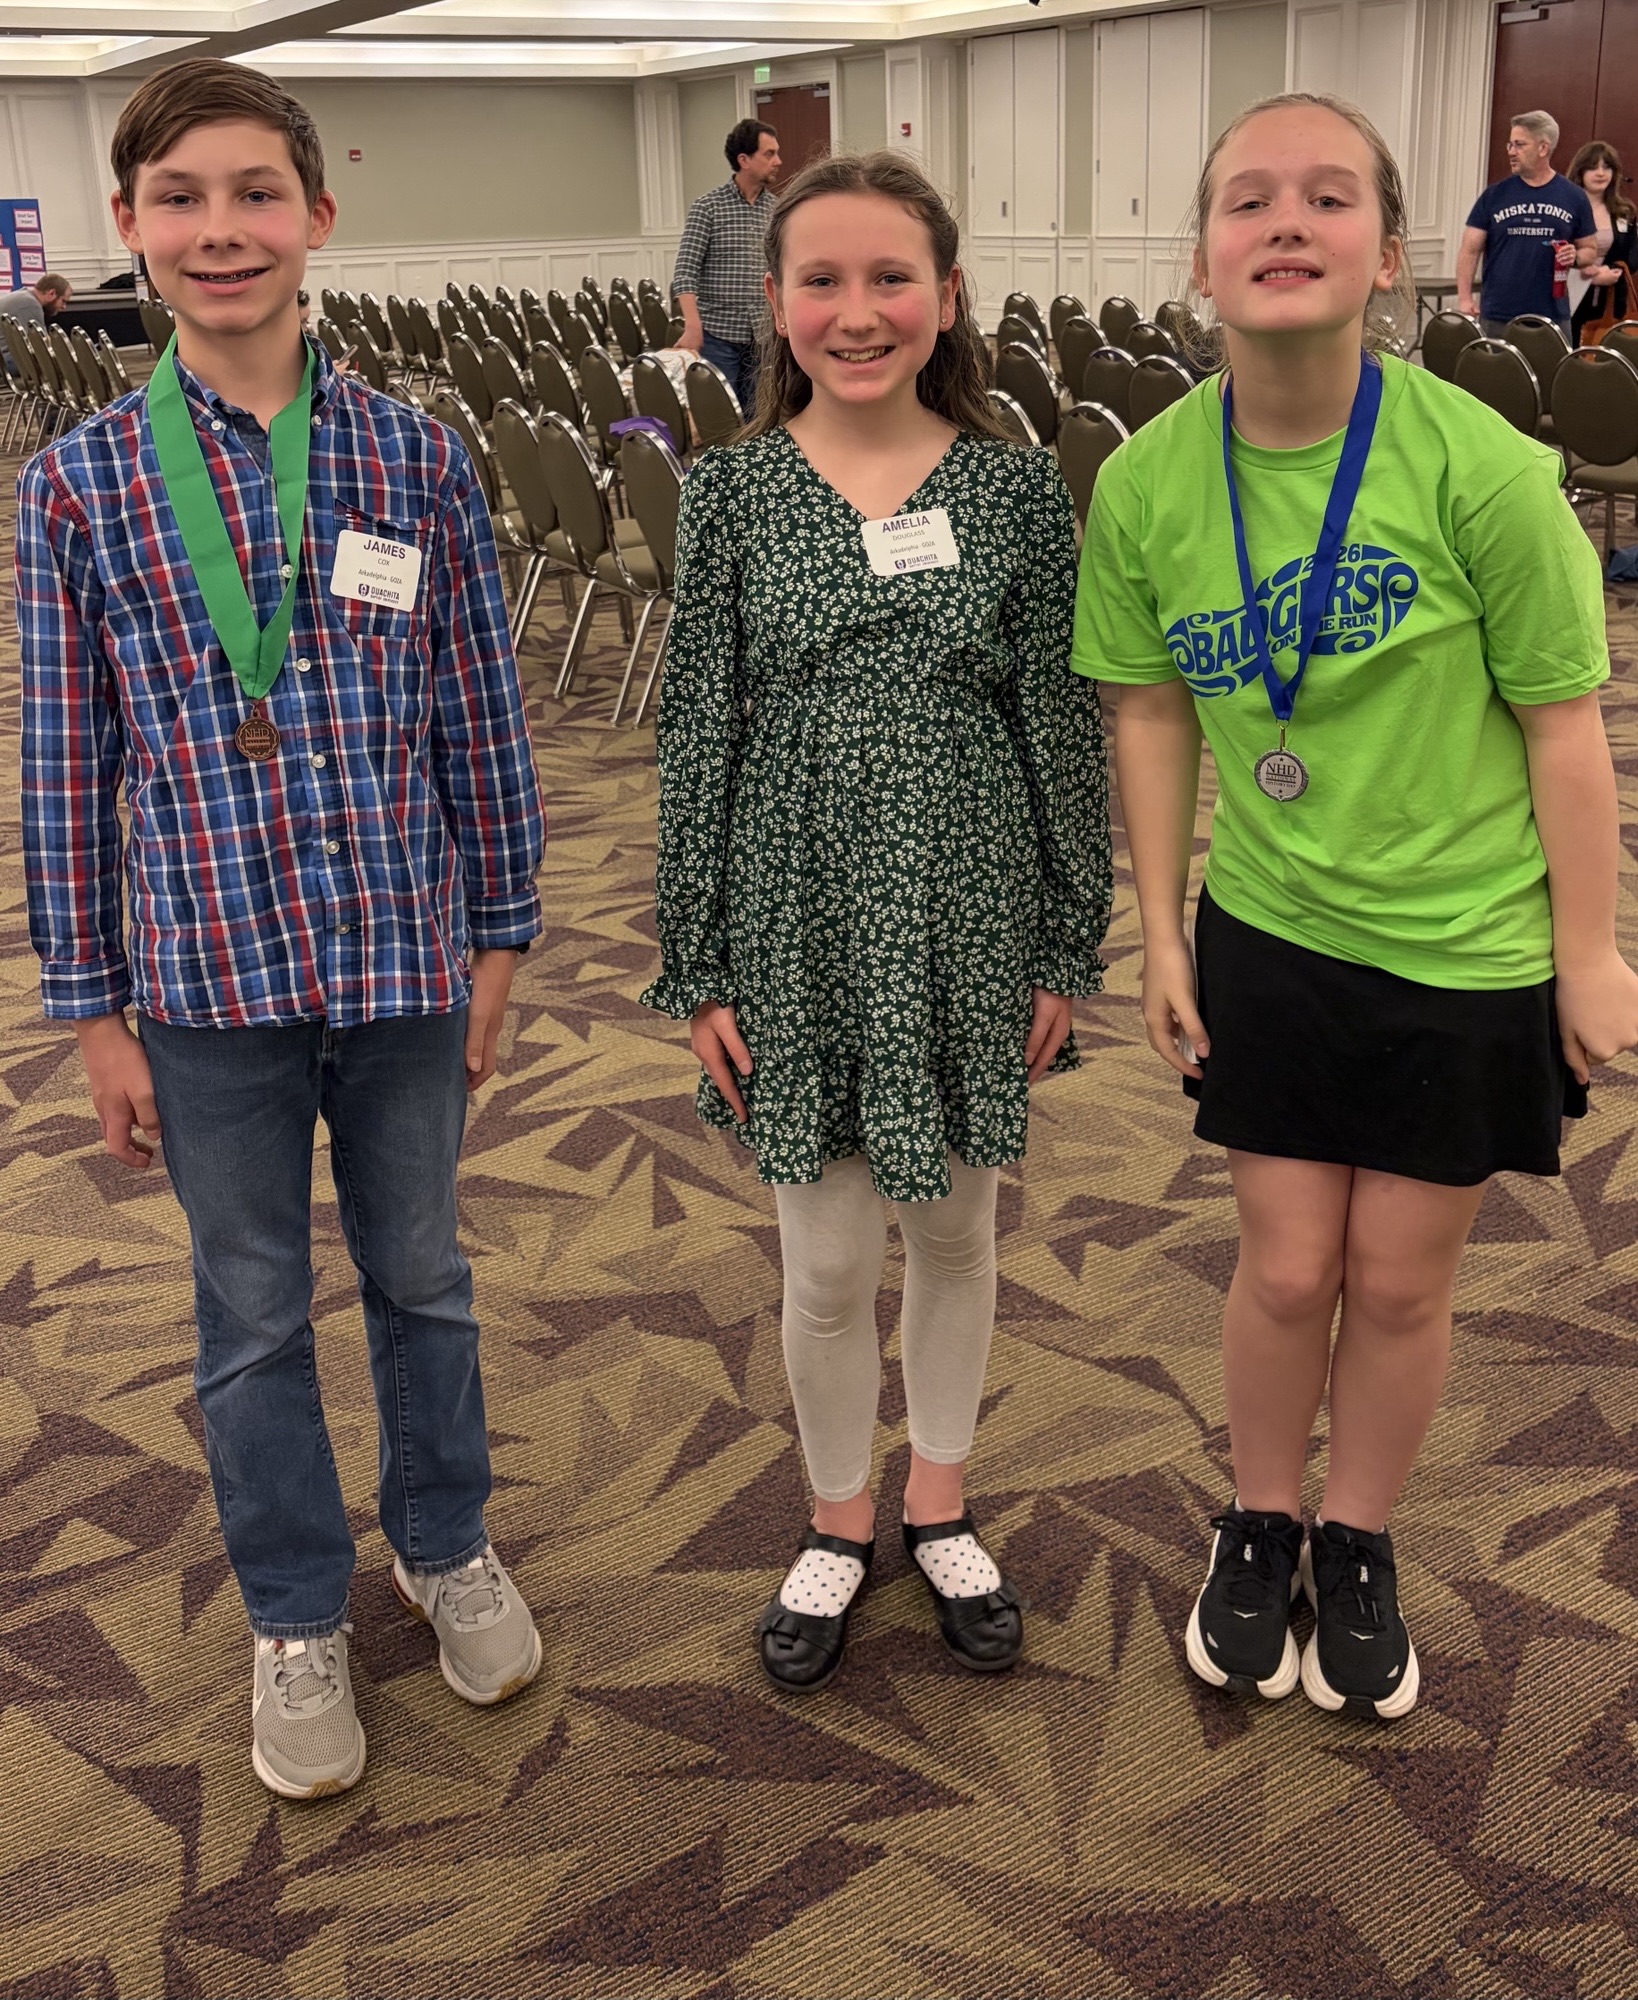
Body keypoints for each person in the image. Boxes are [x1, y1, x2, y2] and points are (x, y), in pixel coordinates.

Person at [17, 58, 548, 1802]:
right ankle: (295, 1610)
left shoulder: (413, 453)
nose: (220, 229)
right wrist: (92, 1009)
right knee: (248, 1308)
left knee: (425, 1280)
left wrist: (501, 934)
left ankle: (445, 1541)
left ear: (317, 214)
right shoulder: (83, 484)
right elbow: (65, 761)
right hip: (207, 974)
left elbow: (477, 713)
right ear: (130, 225)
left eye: (255, 193)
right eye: (180, 199)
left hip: (400, 958)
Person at [1074, 91, 1634, 1721]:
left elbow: (1561, 728)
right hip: (1268, 928)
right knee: (1280, 1268)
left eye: (1328, 196)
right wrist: (1162, 929)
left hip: (1466, 943)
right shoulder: (1149, 483)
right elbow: (1149, 711)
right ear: (1200, 257)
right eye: (1247, 197)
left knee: (1393, 1280)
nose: (1284, 221)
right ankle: (1259, 1521)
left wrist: (1588, 952)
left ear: (1388, 255)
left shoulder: (1484, 469)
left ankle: (1357, 1535)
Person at [644, 150, 1111, 1694]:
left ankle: (939, 1502)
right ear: (773, 302)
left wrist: (1067, 939)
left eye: (890, 278)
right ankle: (839, 1516)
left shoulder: (1014, 487)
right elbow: (696, 731)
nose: (857, 312)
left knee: (958, 1232)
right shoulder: (728, 492)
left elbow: (1058, 724)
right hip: (793, 909)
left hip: (970, 906)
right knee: (829, 1257)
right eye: (822, 281)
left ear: (947, 296)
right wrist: (697, 961)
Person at [672, 118, 782, 415]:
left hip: (762, 336)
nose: (778, 161)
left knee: (758, 415)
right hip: (717, 336)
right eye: (769, 154)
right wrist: (692, 325)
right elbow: (684, 272)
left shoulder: (777, 210)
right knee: (719, 417)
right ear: (744, 160)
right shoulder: (708, 207)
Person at [1458, 110, 1598, 335]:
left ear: (1543, 148)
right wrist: (1464, 298)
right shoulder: (1494, 195)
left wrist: (1575, 257)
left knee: (1553, 361)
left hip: (1552, 315)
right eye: (1510, 145)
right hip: (1498, 314)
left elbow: (1589, 250)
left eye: (1519, 145)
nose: (1511, 152)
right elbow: (1469, 249)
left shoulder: (1574, 196)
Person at [1567, 140, 1637, 342]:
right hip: (1568, 299)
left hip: (1609, 303)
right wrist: (1587, 277)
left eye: (1607, 167)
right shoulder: (1564, 208)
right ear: (1580, 172)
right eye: (1593, 167)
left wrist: (1610, 271)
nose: (1600, 173)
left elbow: (1632, 258)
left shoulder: (1624, 212)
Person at [0, 271, 72, 327]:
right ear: (51, 293)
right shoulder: (31, 304)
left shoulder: (23, 296)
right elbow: (40, 341)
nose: (64, 307)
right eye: (63, 301)